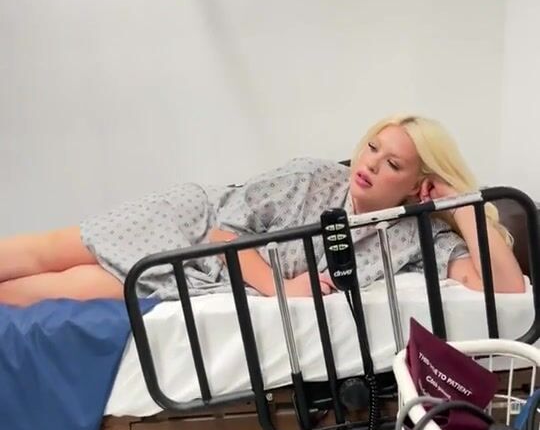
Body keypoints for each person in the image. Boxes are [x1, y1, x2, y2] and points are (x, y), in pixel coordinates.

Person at [0, 114, 525, 306]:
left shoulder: (414, 236)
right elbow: (221, 230)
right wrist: (279, 286)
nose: (368, 164)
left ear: (416, 186)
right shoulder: (314, 178)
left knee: (69, 288)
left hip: (208, 278)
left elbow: (506, 289)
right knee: (48, 253)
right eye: (372, 147)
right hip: (191, 224)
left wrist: (460, 203)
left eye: (392, 164)